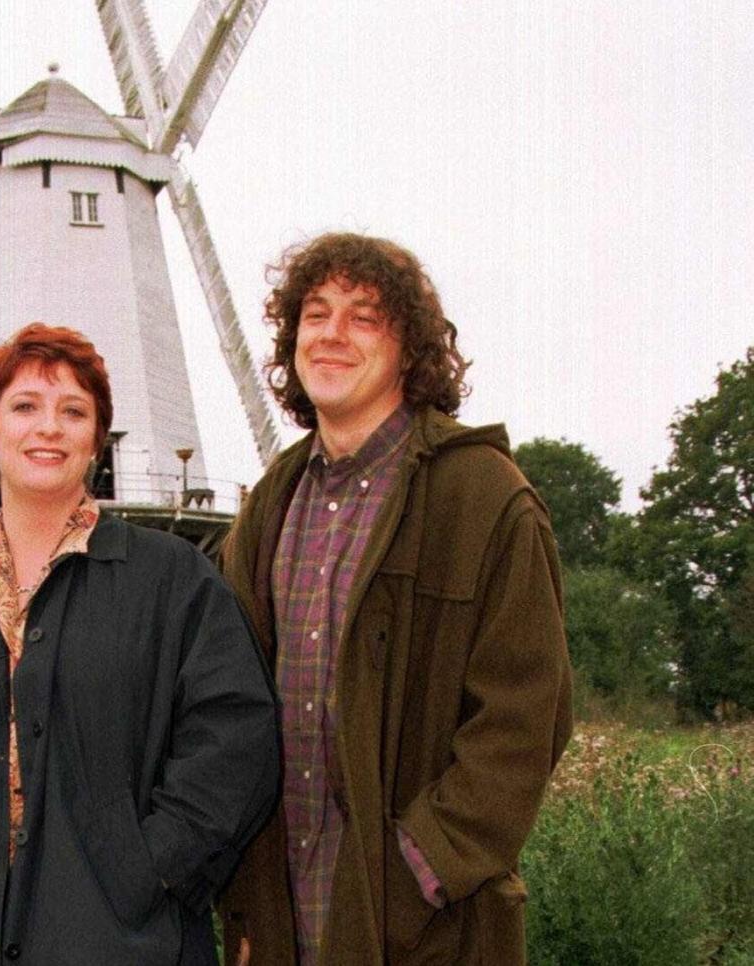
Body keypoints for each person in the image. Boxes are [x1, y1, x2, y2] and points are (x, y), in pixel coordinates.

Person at [0, 323, 279, 965]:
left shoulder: (174, 583)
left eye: (74, 411)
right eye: (24, 407)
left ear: (98, 440)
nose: (48, 427)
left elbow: (234, 738)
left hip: (122, 944)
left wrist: (149, 868)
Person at [218, 233, 573, 965]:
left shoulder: (483, 497)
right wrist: (243, 898)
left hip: (426, 930)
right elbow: (224, 712)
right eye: (315, 315)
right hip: (284, 921)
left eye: (363, 316)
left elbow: (526, 717)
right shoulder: (269, 506)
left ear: (409, 347)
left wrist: (420, 869)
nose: (332, 335)